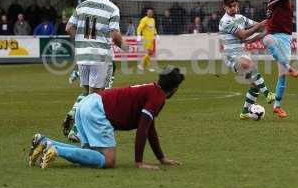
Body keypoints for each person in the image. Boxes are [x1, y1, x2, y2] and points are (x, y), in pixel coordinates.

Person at [28, 67, 184, 170]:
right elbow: (143, 129)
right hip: (98, 111)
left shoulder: (152, 89)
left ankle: (45, 142)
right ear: (175, 88)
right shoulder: (158, 97)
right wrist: (139, 162)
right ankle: (56, 149)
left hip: (87, 103)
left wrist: (161, 158)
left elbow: (149, 129)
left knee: (88, 156)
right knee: (109, 161)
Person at [62, 0, 127, 142]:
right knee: (98, 97)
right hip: (100, 57)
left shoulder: (82, 5)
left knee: (88, 94)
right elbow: (115, 35)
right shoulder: (112, 8)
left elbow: (68, 28)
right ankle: (81, 130)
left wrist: (83, 39)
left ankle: (77, 121)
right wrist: (126, 48)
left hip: (82, 56)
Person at [219, 0, 275, 120]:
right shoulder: (225, 21)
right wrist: (260, 25)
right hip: (230, 55)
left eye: (235, 6)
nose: (234, 8)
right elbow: (243, 35)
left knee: (254, 85)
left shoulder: (240, 18)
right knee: (250, 66)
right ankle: (268, 94)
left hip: (241, 52)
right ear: (225, 7)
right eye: (231, 6)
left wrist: (270, 23)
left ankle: (244, 112)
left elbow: (258, 26)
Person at [251, 0, 298, 118]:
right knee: (266, 39)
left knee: (282, 75)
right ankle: (289, 67)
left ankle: (277, 106)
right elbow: (266, 30)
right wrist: (249, 39)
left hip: (285, 38)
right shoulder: (269, 8)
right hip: (272, 36)